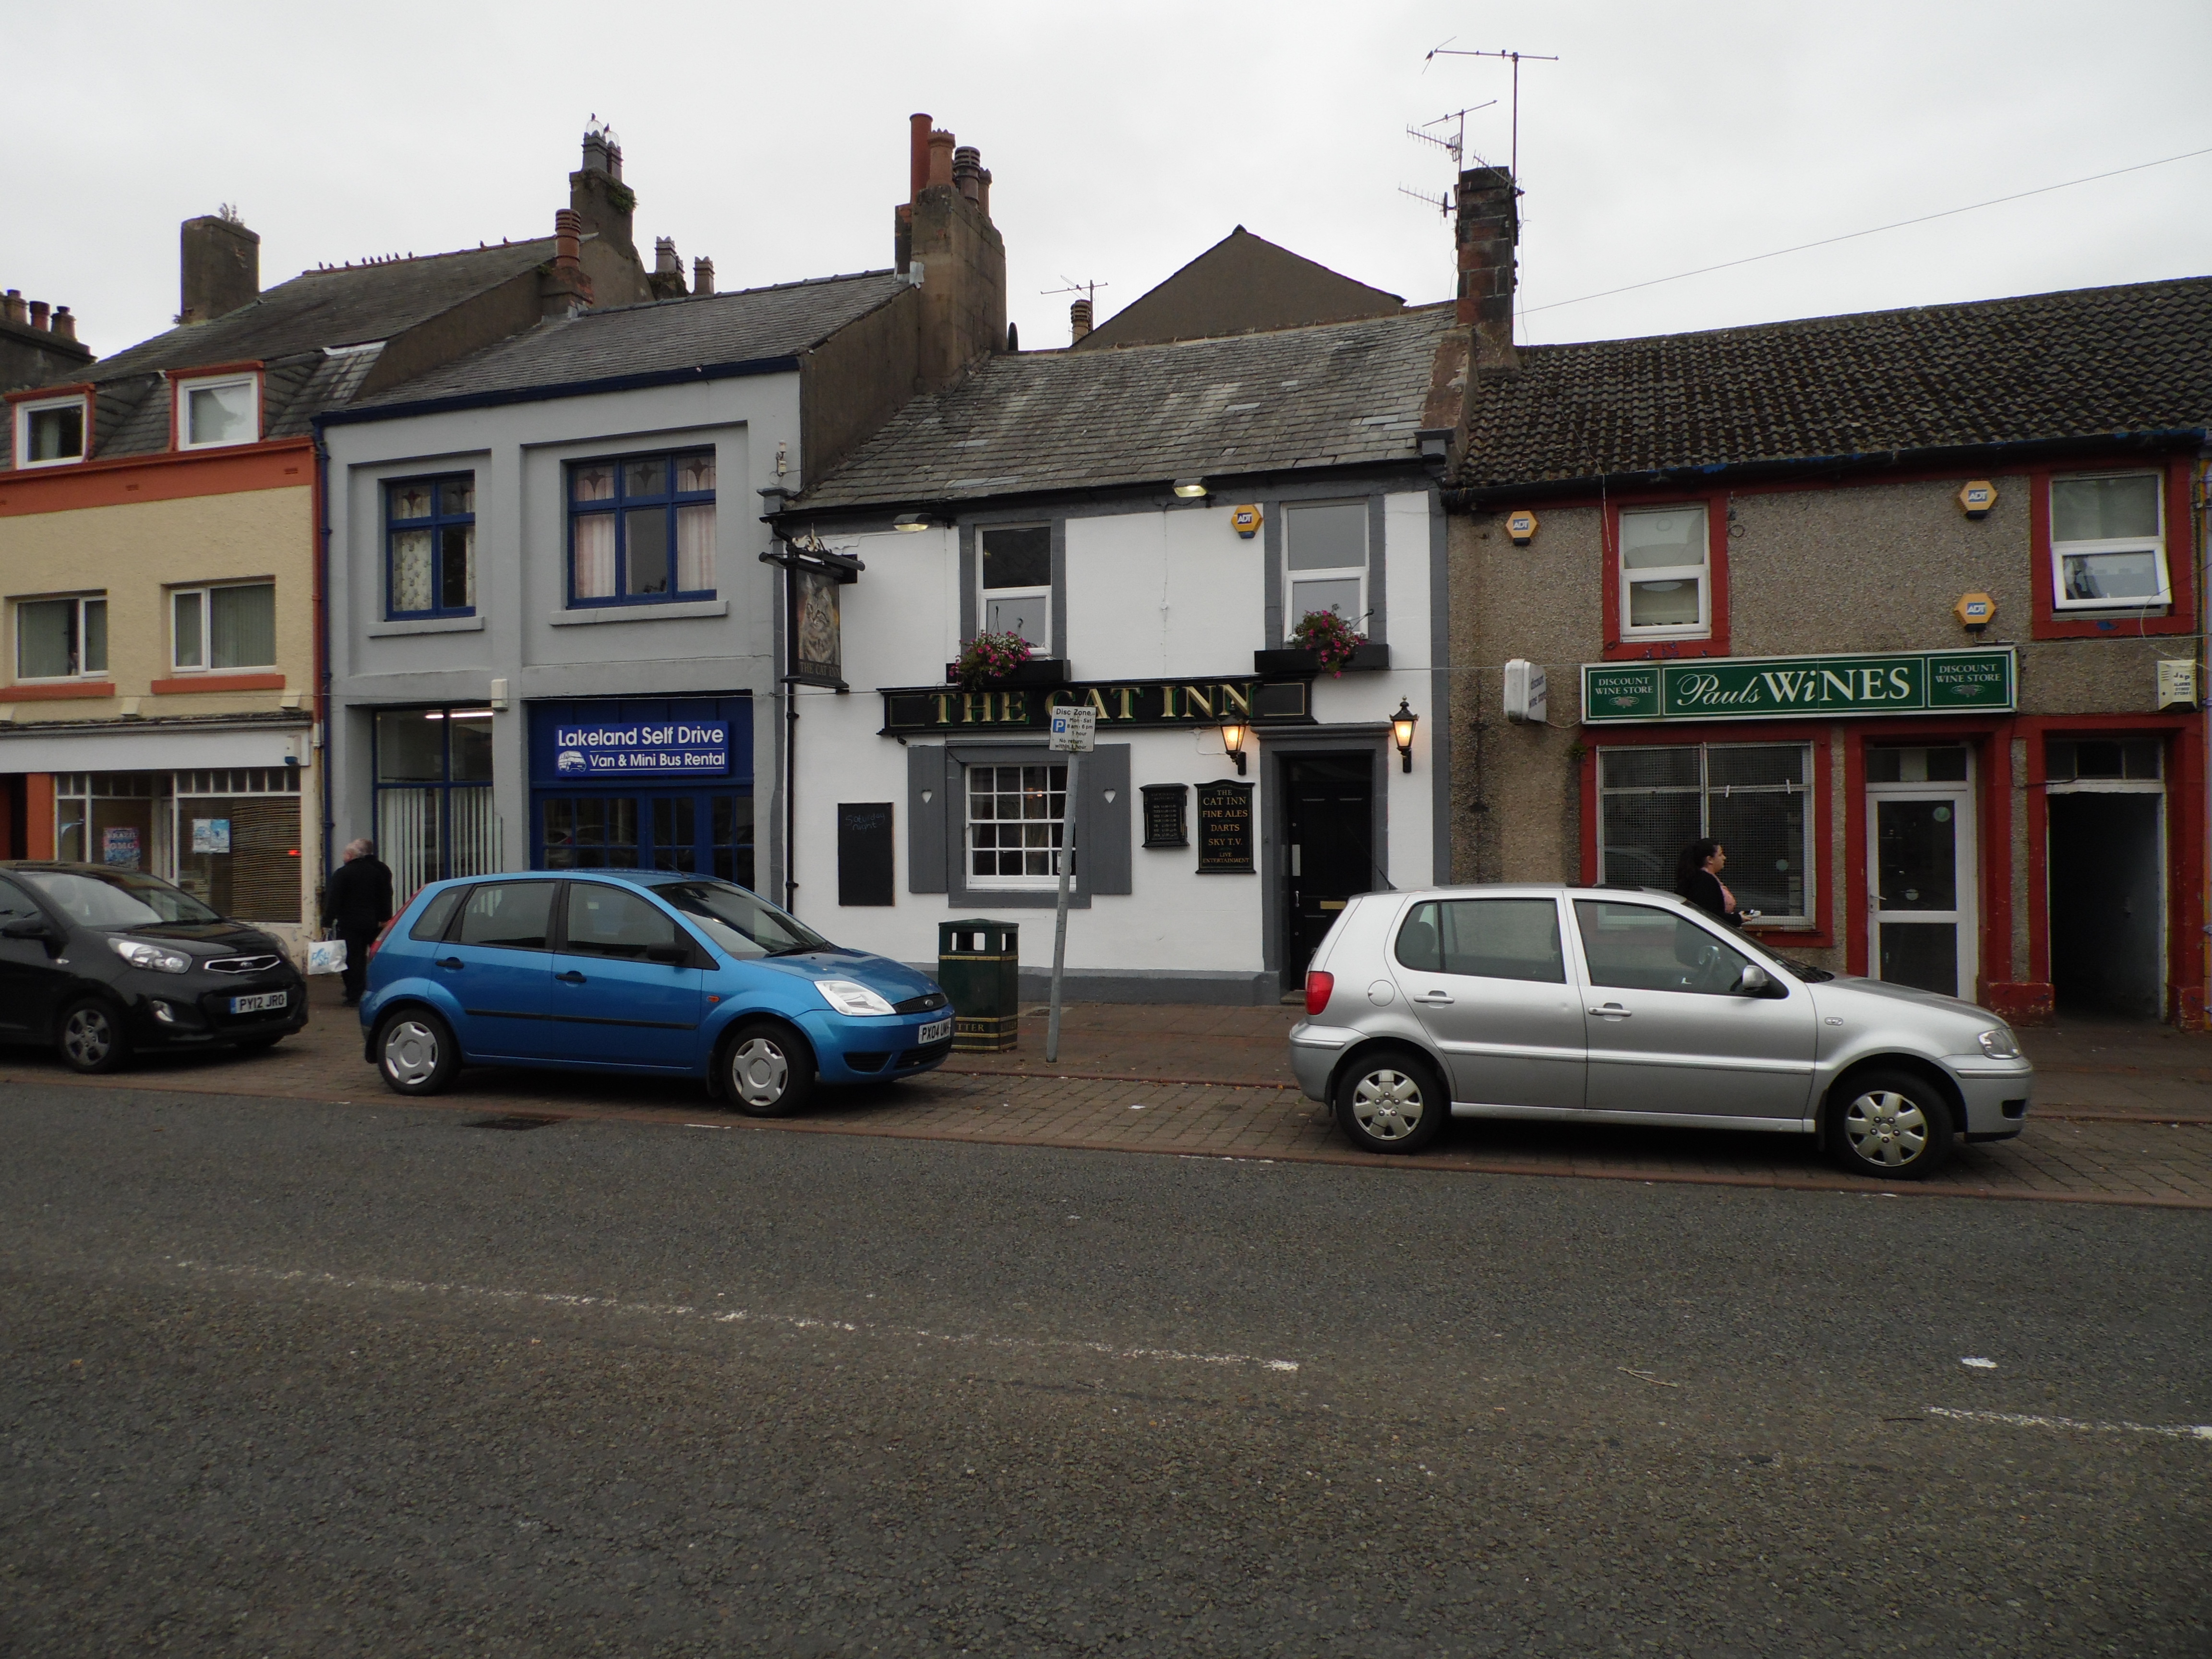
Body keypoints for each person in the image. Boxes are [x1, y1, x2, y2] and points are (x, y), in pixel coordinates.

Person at [322, 837, 394, 1007]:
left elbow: (334, 900)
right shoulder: (377, 871)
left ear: (350, 855)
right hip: (372, 922)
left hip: (349, 924)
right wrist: (385, 918)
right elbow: (385, 896)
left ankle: (355, 994)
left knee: (353, 960)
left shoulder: (343, 874)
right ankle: (377, 989)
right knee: (375, 956)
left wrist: (326, 922)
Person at [1673, 838, 1743, 929]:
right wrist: (1738, 919)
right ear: (1710, 859)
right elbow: (1709, 915)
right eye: (1720, 855)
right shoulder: (1704, 881)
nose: (1724, 858)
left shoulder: (1702, 878)